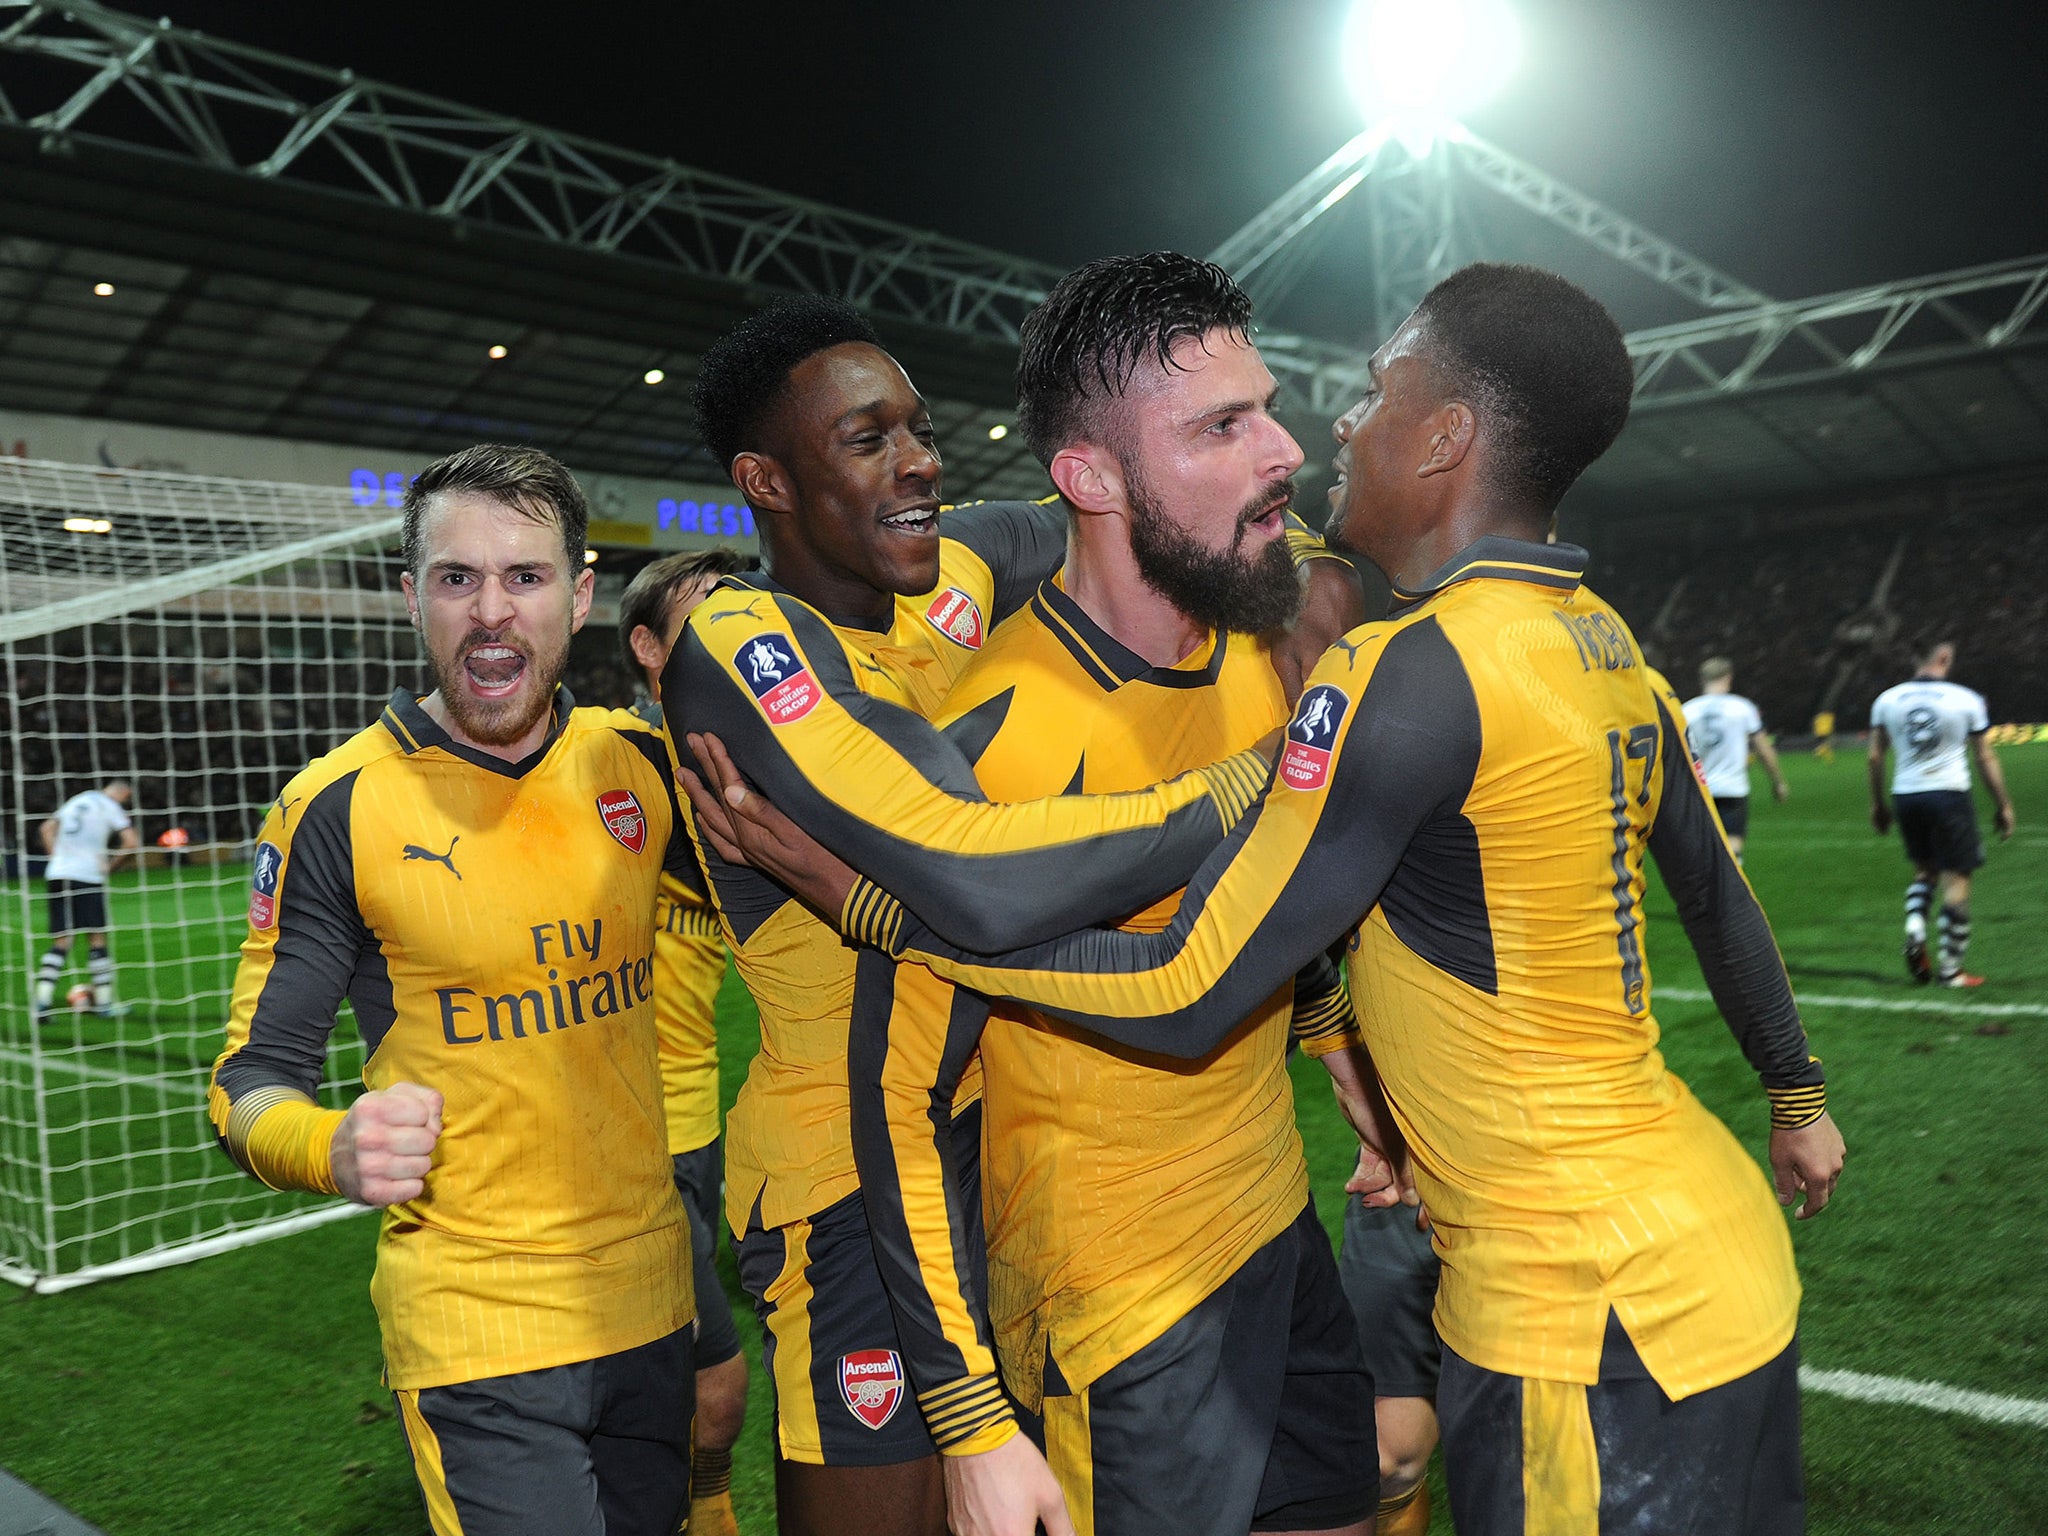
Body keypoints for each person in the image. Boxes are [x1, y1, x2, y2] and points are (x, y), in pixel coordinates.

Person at [691, 263, 1849, 1536]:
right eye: (1223, 426)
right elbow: (902, 1088)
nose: (1296, 446)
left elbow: (1260, 913)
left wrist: (1330, 1027)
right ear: (1094, 480)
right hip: (1116, 1298)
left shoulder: (1284, 658)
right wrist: (969, 1418)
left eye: (1273, 409)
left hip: (1289, 1236)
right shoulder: (991, 738)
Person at [662, 294, 1357, 1536]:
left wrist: (1308, 590)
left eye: (918, 430)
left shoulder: (947, 578)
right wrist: (1263, 781)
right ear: (765, 481)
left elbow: (1151, 497)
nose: (919, 462)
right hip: (847, 1183)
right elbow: (968, 873)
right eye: (867, 439)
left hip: (994, 1141)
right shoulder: (741, 635)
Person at [209, 445, 699, 1536]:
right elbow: (249, 1080)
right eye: (455, 578)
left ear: (577, 595)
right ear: (410, 596)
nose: (491, 612)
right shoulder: (333, 809)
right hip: (478, 1329)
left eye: (524, 577)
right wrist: (329, 1146)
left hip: (650, 1297)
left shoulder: (641, 767)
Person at [617, 549, 755, 1536]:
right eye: (708, 618)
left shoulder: (757, 773)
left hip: (695, 1130)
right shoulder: (613, 759)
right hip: (615, 1141)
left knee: (662, 1388)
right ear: (648, 649)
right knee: (715, 1383)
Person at [1868, 640, 2017, 987]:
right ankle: (1951, 970)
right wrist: (2004, 805)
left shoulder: (1886, 700)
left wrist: (1878, 804)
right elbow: (1985, 757)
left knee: (1925, 869)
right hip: (1948, 794)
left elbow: (1875, 757)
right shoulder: (1966, 699)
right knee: (1957, 878)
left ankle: (1915, 926)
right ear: (1944, 658)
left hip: (1906, 794)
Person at [33, 780, 140, 1021]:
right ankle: (103, 1004)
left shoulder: (78, 800)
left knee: (61, 941)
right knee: (96, 939)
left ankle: (42, 1002)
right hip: (87, 875)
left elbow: (46, 828)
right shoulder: (109, 806)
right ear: (123, 794)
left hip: (58, 873)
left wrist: (57, 857)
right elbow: (132, 843)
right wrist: (110, 867)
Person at [1682, 657, 1787, 861]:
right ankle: (1731, 884)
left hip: (1700, 789)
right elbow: (1764, 749)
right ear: (1728, 678)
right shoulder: (1742, 708)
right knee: (1733, 847)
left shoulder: (1687, 710)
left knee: (1703, 850)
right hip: (1733, 788)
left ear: (1702, 679)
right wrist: (1778, 782)